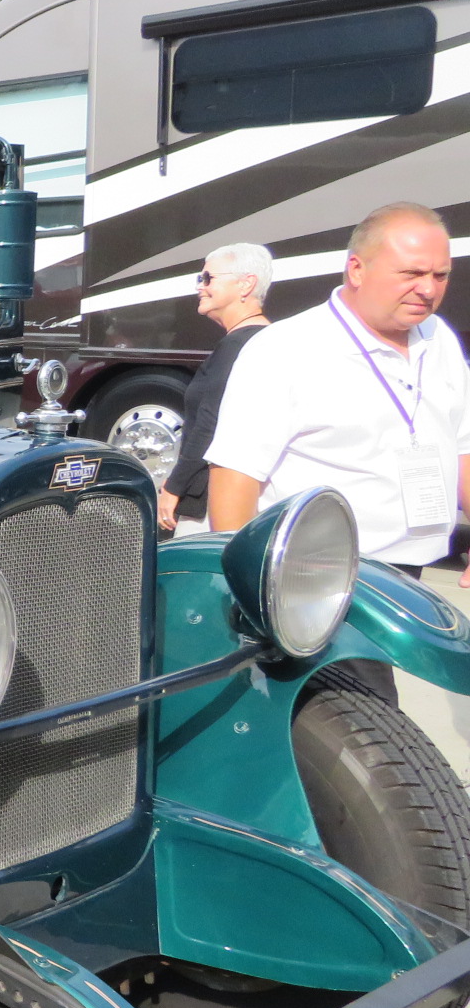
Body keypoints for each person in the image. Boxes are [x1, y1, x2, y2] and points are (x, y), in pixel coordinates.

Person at [205, 203, 470, 702]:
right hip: (318, 580)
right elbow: (236, 477)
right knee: (360, 734)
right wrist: (251, 602)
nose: (429, 289)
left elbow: (462, 447)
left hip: (410, 573)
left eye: (441, 275)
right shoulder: (285, 350)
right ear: (356, 268)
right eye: (411, 273)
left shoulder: (440, 339)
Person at [159, 242, 273, 535]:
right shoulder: (267, 341)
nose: (201, 286)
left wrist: (173, 488)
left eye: (208, 278)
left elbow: (209, 425)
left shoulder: (238, 346)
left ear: (246, 284)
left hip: (212, 504)